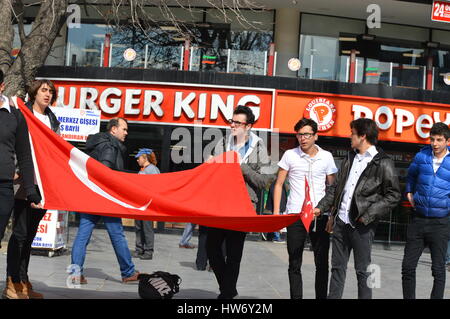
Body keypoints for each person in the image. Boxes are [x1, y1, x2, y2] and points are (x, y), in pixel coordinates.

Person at [314, 118, 401, 299]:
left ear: (363, 136)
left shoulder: (383, 162)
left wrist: (368, 215)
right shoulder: (349, 158)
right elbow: (336, 188)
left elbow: (393, 195)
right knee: (337, 269)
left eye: (352, 133)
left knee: (363, 271)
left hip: (362, 225)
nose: (349, 136)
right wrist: (320, 207)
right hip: (341, 222)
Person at [206, 105, 273, 299]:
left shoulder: (259, 148)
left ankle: (226, 294)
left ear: (249, 126)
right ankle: (228, 289)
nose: (232, 125)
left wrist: (242, 167)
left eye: (237, 122)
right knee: (212, 249)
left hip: (242, 205)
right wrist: (211, 163)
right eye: (231, 121)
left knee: (234, 254)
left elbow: (265, 181)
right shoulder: (223, 143)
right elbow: (212, 172)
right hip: (219, 204)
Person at [273, 118, 337, 299]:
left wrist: (331, 216)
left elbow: (333, 189)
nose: (303, 138)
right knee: (294, 262)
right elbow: (278, 185)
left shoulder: (326, 157)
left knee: (322, 263)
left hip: (320, 215)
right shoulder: (289, 155)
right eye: (300, 134)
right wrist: (278, 214)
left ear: (316, 136)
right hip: (295, 215)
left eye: (307, 134)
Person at [71, 117, 139, 284]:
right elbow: (105, 172)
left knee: (82, 235)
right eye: (124, 129)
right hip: (104, 197)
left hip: (91, 195)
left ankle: (74, 273)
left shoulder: (99, 143)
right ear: (113, 129)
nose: (126, 133)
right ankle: (128, 272)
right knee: (117, 234)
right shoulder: (109, 146)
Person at [0, 73, 42, 299]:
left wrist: (32, 189)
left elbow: (25, 155)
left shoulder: (15, 116)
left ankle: (14, 282)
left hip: (3, 188)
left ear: (2, 86)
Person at [401, 122, 450, 299]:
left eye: (439, 140)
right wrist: (408, 192)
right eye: (432, 139)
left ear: (447, 141)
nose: (435, 143)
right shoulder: (421, 156)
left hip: (440, 222)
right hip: (418, 219)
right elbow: (411, 176)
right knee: (407, 267)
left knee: (438, 269)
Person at [133, 148, 159, 260]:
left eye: (139, 158)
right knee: (139, 227)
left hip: (147, 205)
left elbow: (157, 187)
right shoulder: (143, 169)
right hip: (140, 204)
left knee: (147, 228)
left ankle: (148, 251)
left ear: (145, 158)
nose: (137, 160)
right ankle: (139, 249)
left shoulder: (153, 170)